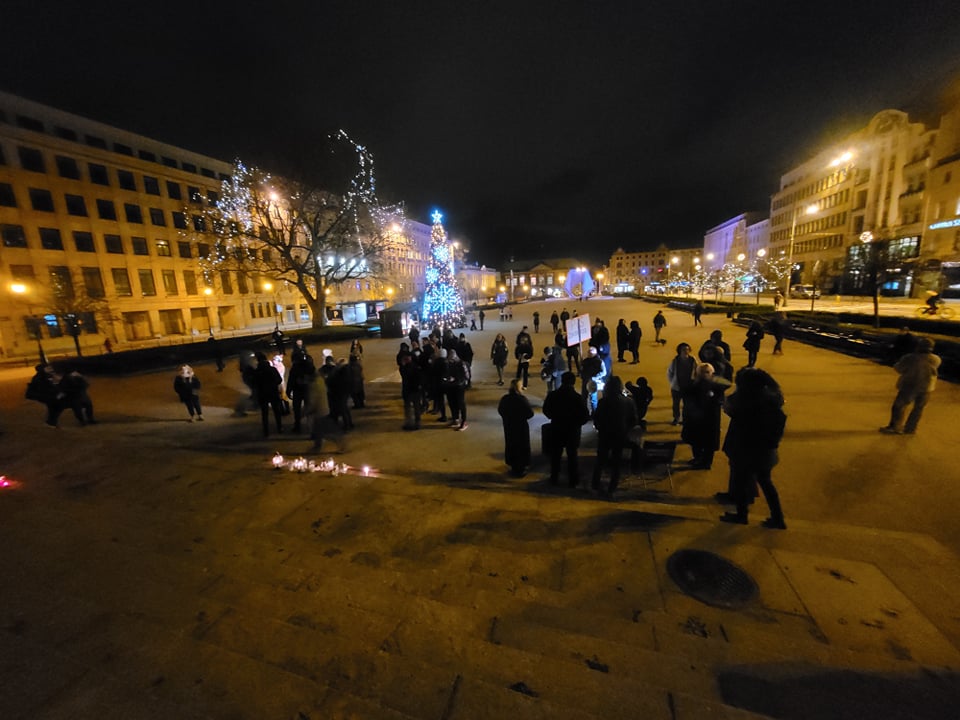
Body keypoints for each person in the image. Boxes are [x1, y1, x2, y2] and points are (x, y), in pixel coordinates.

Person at [719, 367, 787, 529]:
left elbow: (731, 409)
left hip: (746, 448)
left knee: (741, 481)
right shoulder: (772, 400)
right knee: (765, 482)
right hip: (766, 451)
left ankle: (742, 515)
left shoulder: (748, 400)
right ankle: (778, 518)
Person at [880, 336, 941, 435]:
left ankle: (895, 427)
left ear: (918, 346)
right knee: (918, 409)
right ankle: (910, 429)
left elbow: (898, 368)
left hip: (910, 385)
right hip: (927, 387)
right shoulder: (936, 359)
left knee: (898, 406)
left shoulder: (910, 357)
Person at [591, 375, 638, 498]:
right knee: (616, 462)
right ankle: (612, 487)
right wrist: (626, 428)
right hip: (620, 434)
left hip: (605, 435)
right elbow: (634, 419)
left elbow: (597, 418)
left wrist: (600, 428)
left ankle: (595, 485)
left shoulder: (603, 401)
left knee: (600, 461)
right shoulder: (628, 401)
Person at [542, 371, 591, 487]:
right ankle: (573, 480)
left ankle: (554, 478)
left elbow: (546, 410)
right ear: (573, 383)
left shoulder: (553, 395)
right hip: (572, 431)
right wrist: (577, 423)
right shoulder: (577, 398)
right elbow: (585, 416)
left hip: (557, 428)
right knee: (572, 456)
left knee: (556, 456)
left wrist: (553, 417)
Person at [681, 364, 727, 469]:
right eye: (702, 372)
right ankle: (697, 458)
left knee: (708, 444)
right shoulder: (692, 385)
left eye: (707, 372)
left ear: (712, 373)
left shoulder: (716, 386)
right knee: (695, 441)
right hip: (695, 419)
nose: (704, 375)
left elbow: (721, 400)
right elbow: (686, 398)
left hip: (710, 420)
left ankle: (706, 463)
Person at [497, 379, 535, 476]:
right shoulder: (522, 399)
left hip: (509, 426)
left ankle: (513, 466)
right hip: (521, 426)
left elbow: (500, 410)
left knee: (511, 444)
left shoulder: (505, 399)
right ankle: (521, 468)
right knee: (522, 446)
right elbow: (530, 413)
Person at [252, 352, 284, 437]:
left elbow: (254, 384)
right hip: (273, 392)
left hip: (262, 394)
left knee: (264, 413)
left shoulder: (256, 372)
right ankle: (279, 428)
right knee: (276, 411)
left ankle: (266, 431)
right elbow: (279, 380)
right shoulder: (272, 369)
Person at [666, 342, 697, 425]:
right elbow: (669, 373)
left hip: (688, 386)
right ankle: (676, 418)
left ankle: (685, 419)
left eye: (687, 349)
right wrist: (673, 382)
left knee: (687, 405)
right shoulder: (675, 361)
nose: (686, 351)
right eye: (683, 349)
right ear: (679, 351)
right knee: (676, 404)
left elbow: (696, 371)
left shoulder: (693, 360)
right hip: (677, 387)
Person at [26, 363, 65, 428]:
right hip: (43, 395)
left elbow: (52, 386)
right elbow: (45, 389)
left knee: (54, 407)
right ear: (43, 369)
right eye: (48, 368)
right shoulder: (39, 378)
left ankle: (51, 422)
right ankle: (51, 423)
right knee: (56, 406)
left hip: (47, 395)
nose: (51, 369)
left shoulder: (46, 375)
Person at [286, 352, 314, 432]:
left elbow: (291, 380)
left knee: (297, 409)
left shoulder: (295, 367)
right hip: (307, 389)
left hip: (297, 391)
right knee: (309, 408)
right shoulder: (309, 365)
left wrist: (288, 391)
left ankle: (297, 426)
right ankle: (310, 427)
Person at [581, 346, 604, 414]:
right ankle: (585, 412)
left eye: (590, 353)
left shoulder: (599, 361)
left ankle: (594, 413)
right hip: (585, 380)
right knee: (584, 397)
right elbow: (582, 370)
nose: (589, 354)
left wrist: (595, 377)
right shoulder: (585, 361)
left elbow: (603, 372)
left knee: (593, 399)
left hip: (593, 382)